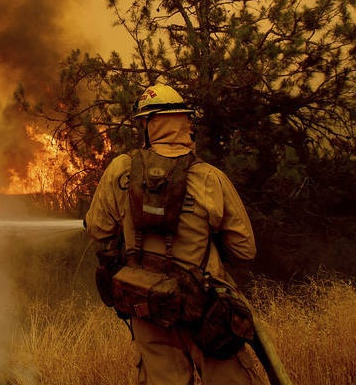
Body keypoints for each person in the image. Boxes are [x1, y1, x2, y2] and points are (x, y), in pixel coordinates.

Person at [84, 83, 261, 385]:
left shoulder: (121, 170)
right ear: (184, 122)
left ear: (147, 125)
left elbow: (98, 228)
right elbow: (245, 250)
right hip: (205, 312)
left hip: (147, 308)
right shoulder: (208, 177)